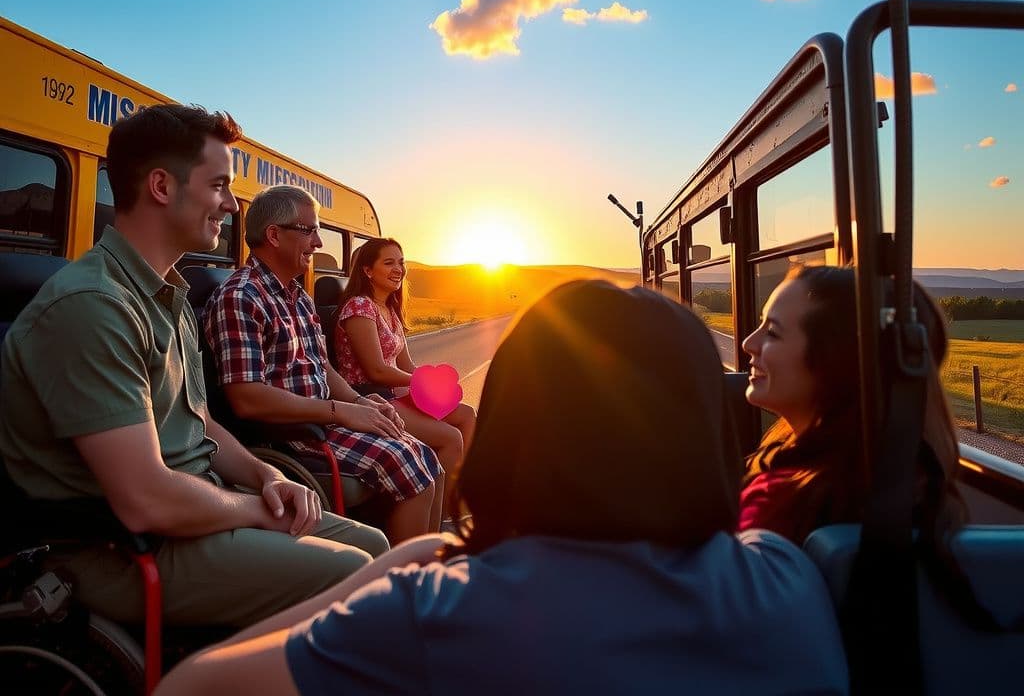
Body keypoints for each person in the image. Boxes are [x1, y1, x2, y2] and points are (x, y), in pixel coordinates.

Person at [156, 280, 849, 696]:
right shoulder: (789, 575)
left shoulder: (437, 612)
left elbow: (187, 687)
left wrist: (409, 563)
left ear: (519, 430)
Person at [0, 105, 387, 628]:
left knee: (374, 544)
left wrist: (264, 475)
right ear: (162, 185)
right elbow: (145, 500)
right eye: (219, 186)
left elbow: (199, 422)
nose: (230, 204)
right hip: (122, 547)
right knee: (357, 575)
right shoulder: (93, 305)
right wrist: (252, 508)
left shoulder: (170, 296)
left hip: (194, 512)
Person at [203, 187, 443, 543]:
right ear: (274, 235)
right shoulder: (240, 297)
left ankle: (426, 563)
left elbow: (321, 367)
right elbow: (247, 398)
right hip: (294, 435)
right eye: (310, 231)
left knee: (428, 459)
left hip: (322, 420)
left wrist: (360, 403)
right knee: (414, 466)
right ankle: (403, 580)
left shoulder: (297, 296)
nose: (318, 243)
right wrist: (338, 412)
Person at [740, 265, 964, 547]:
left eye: (772, 332)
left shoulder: (778, 503)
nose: (749, 343)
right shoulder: (910, 484)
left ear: (834, 362)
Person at [334, 237, 476, 479]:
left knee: (467, 415)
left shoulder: (389, 309)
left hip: (394, 394)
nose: (398, 269)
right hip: (371, 398)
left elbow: (407, 365)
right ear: (368, 270)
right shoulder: (359, 307)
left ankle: (462, 489)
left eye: (401, 262)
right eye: (389, 263)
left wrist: (434, 383)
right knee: (451, 438)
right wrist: (422, 381)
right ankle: (445, 514)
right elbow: (376, 370)